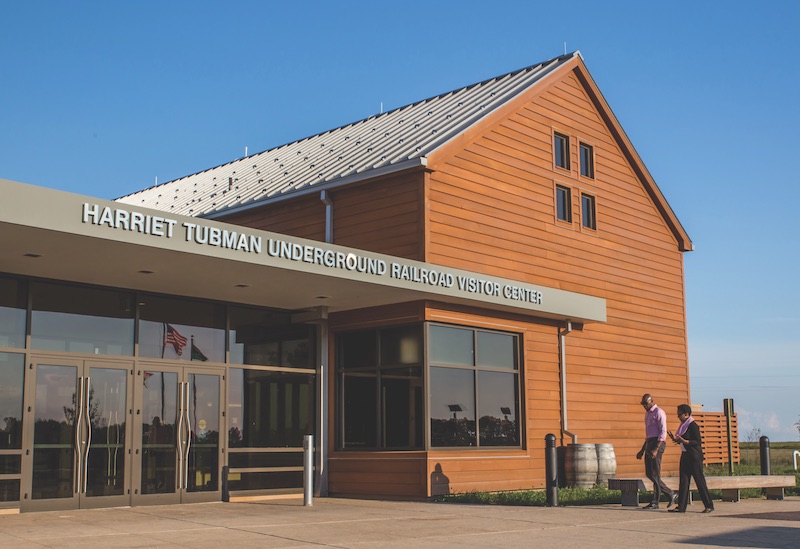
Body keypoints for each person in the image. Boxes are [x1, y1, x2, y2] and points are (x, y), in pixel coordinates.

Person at [667, 404, 714, 513]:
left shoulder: (693, 425)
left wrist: (685, 441)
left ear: (686, 414)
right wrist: (674, 438)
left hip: (694, 456)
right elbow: (681, 439)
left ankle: (709, 505)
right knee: (683, 481)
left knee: (699, 481)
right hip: (685, 455)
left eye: (680, 414)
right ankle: (681, 506)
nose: (678, 417)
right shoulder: (682, 425)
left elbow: (697, 441)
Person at [636, 393, 677, 509]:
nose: (644, 406)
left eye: (646, 403)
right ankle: (670, 493)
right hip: (650, 442)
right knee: (649, 473)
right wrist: (642, 450)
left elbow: (663, 432)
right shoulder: (647, 414)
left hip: (658, 443)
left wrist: (656, 449)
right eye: (643, 404)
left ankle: (655, 501)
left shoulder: (659, 412)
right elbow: (648, 435)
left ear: (651, 401)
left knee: (655, 473)